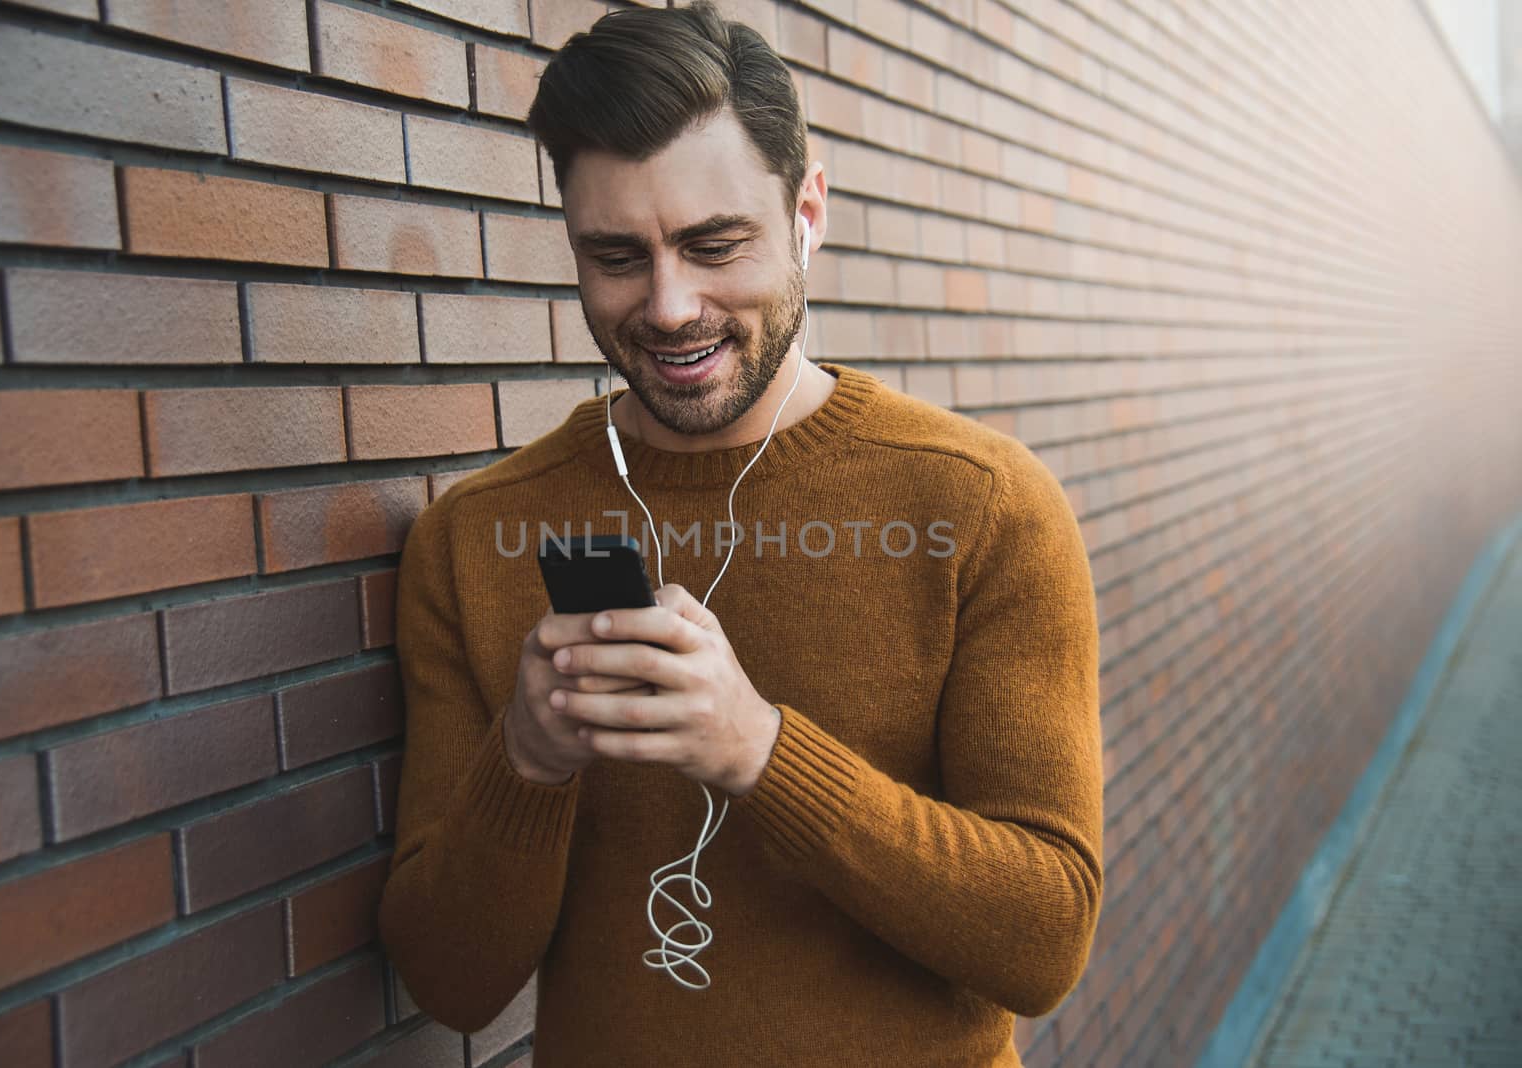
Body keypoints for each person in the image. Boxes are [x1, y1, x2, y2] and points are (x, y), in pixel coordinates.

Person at [377, 3, 1103, 1064]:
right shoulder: (472, 539)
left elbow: (1045, 941)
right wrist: (524, 762)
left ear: (808, 210)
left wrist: (760, 752)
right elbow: (451, 983)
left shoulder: (980, 505)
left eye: (714, 244)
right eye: (615, 255)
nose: (668, 307)